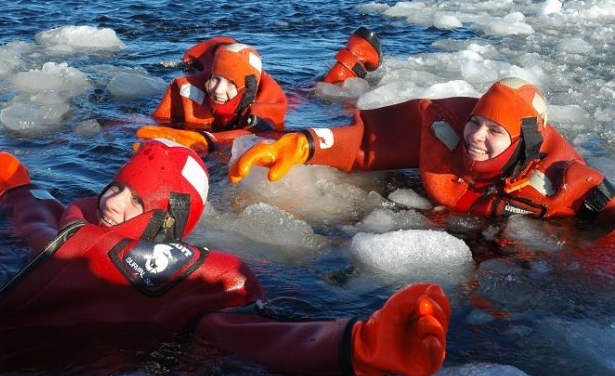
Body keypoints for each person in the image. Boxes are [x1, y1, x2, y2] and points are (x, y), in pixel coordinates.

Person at [0, 139, 449, 376]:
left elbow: (255, 334)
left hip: (57, 372)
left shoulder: (183, 276)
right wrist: (19, 189)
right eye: (116, 187)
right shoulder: (78, 219)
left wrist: (354, 346)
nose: (114, 204)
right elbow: (40, 224)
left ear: (166, 222)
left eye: (137, 201)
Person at [228, 77, 615, 225]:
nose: (476, 136)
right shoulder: (445, 126)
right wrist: (306, 143)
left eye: (495, 131)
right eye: (476, 121)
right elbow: (366, 143)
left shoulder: (562, 182)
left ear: (525, 142)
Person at [137, 28, 383, 154]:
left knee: (303, 96)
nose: (216, 90)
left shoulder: (267, 103)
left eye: (228, 84)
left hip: (263, 102)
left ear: (246, 88)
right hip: (225, 68)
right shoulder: (189, 88)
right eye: (215, 80)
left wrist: (208, 141)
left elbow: (254, 135)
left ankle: (346, 66)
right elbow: (154, 121)